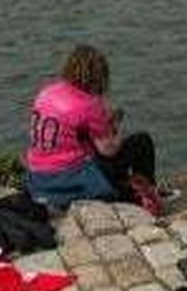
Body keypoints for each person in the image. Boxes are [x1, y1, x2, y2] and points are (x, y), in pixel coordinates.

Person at [24, 45, 162, 209]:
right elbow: (109, 150)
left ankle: (132, 187)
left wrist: (103, 121)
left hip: (38, 176)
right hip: (69, 177)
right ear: (99, 77)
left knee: (95, 147)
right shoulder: (89, 104)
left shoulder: (47, 92)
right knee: (141, 142)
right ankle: (147, 191)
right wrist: (115, 125)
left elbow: (66, 128)